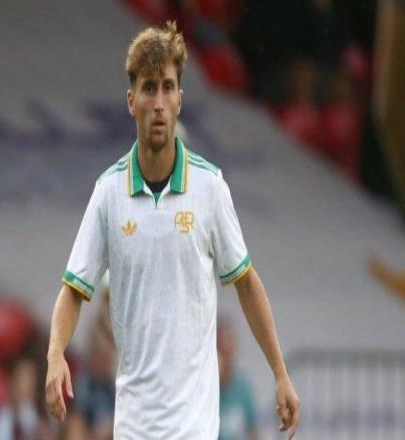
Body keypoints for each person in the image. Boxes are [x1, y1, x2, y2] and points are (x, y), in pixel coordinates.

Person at [46, 21, 300, 439]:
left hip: (194, 428)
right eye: (149, 88)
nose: (159, 102)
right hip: (134, 427)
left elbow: (246, 282)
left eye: (168, 87)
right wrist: (55, 355)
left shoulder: (209, 187)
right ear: (131, 101)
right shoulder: (109, 193)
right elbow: (73, 290)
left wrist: (281, 373)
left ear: (181, 99)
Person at [217, 320, 259, 440]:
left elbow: (253, 430)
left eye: (229, 351)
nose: (226, 359)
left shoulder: (242, 387)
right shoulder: (203, 390)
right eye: (221, 351)